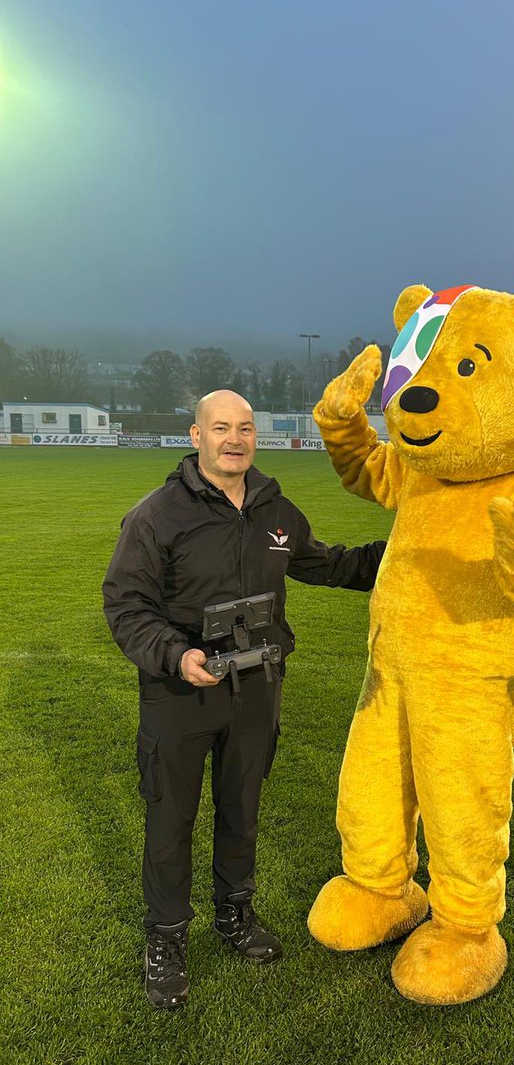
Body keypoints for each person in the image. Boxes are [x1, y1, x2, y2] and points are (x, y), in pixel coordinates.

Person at [103, 390, 384, 1011]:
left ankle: (235, 914)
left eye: (246, 428)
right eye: (221, 428)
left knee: (242, 807)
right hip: (182, 690)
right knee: (171, 817)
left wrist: (403, 554)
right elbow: (126, 605)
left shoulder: (272, 507)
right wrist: (177, 655)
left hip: (257, 688)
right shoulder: (156, 516)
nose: (235, 439)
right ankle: (167, 938)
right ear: (195, 435)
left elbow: (324, 563)